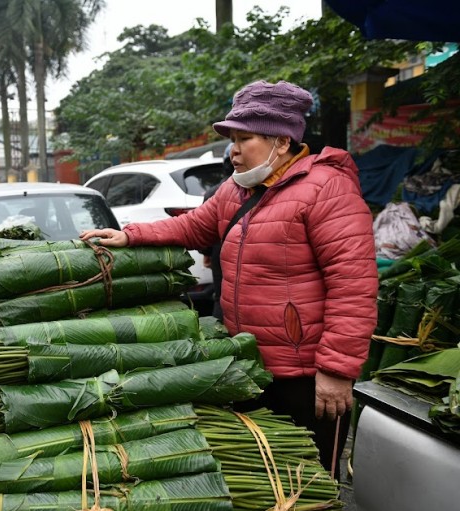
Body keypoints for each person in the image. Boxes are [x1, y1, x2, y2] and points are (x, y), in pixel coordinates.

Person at [81, 80, 378, 479]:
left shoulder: (327, 190)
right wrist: (131, 234)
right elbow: (192, 227)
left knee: (311, 481)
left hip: (306, 374)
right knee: (264, 477)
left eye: (245, 138)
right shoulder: (237, 191)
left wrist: (337, 371)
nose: (233, 150)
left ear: (283, 142)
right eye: (232, 139)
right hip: (250, 363)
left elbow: (353, 285)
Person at [200, 142, 234, 321]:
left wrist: (207, 252)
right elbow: (197, 225)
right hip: (222, 253)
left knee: (222, 297)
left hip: (218, 253)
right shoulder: (221, 193)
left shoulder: (213, 192)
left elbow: (204, 232)